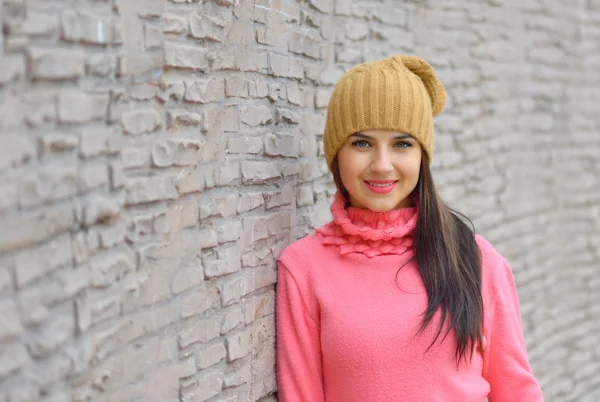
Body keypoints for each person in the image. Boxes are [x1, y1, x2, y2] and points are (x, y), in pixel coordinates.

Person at [275, 55, 544, 401]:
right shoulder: (303, 269)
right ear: (336, 154)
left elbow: (517, 392)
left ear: (422, 156)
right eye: (362, 143)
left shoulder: (474, 259)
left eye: (402, 144)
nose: (382, 164)